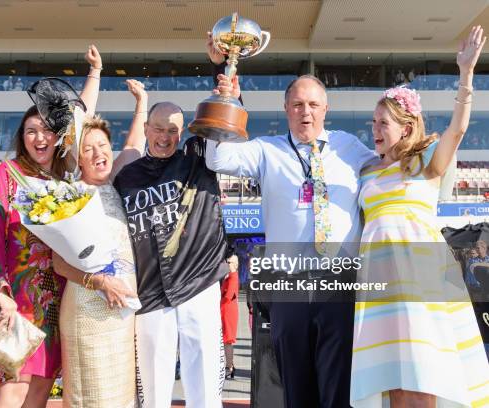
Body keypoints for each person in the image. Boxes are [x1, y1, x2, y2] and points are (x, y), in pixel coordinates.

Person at [205, 37, 376, 406]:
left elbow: (391, 168)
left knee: (339, 388)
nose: (306, 112)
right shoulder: (267, 150)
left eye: (313, 104)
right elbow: (217, 159)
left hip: (340, 284)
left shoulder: (350, 147)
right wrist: (227, 100)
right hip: (289, 285)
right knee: (296, 389)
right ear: (286, 108)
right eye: (297, 104)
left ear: (326, 108)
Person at [0, 45, 102, 408]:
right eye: (31, 130)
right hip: (17, 302)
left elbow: (79, 119)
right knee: (13, 389)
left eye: (48, 131)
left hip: (56, 303)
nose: (40, 138)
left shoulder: (64, 184)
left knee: (39, 392)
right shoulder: (9, 175)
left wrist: (95, 75)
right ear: (22, 136)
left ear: (59, 137)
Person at [351, 26, 489, 407]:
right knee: (391, 377)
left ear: (406, 128)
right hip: (378, 283)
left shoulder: (426, 162)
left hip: (422, 278)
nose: (375, 130)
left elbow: (458, 130)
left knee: (424, 371)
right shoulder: (366, 170)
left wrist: (466, 74)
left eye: (383, 123)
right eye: (373, 122)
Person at [113, 101, 228, 408]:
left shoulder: (198, 158)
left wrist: (229, 80)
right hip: (150, 293)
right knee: (153, 392)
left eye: (173, 131)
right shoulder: (126, 177)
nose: (164, 137)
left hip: (197, 284)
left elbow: (223, 127)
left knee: (204, 388)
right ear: (146, 129)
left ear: (182, 133)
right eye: (158, 129)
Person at [50, 79, 147, 408]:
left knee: (121, 396)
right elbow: (59, 263)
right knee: (92, 396)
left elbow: (135, 144)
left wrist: (141, 104)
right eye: (87, 149)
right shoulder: (69, 195)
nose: (98, 153)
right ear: (76, 157)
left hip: (122, 311)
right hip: (87, 308)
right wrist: (101, 282)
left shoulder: (116, 182)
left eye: (103, 145)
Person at [221, 251, 239, 379]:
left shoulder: (233, 277)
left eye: (229, 262)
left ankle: (229, 367)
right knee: (226, 340)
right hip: (225, 310)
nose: (227, 263)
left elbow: (228, 296)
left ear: (235, 264)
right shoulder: (229, 276)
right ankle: (230, 365)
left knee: (227, 340)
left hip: (228, 311)